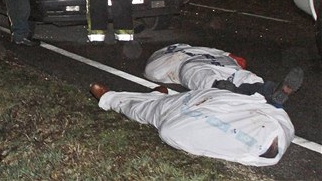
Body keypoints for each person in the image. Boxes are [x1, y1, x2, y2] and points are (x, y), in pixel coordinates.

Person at [89, 83, 295, 166]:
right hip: (206, 100)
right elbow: (161, 90)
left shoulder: (156, 105)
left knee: (170, 125)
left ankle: (108, 97)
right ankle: (270, 103)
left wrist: (108, 97)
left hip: (189, 103)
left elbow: (152, 97)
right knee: (236, 107)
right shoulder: (156, 102)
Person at [144, 43, 304, 107]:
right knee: (238, 77)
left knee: (240, 77)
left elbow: (152, 71)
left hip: (203, 64)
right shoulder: (189, 49)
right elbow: (230, 55)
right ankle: (268, 93)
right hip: (209, 64)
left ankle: (271, 92)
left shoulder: (179, 51)